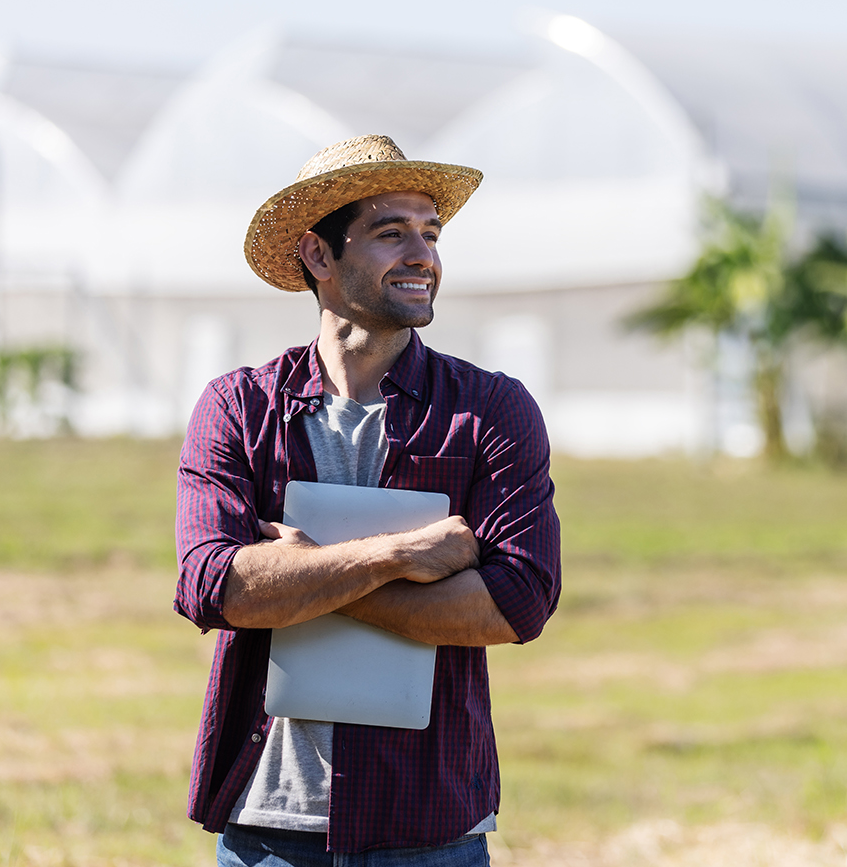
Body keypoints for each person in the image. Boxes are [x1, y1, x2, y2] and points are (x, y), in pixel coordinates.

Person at [173, 134, 561, 866]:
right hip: (268, 828)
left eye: (431, 233)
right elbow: (212, 586)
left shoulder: (489, 411)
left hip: (427, 823)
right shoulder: (238, 408)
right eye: (391, 233)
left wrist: (305, 574)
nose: (422, 254)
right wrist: (400, 555)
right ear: (318, 256)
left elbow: (518, 602)